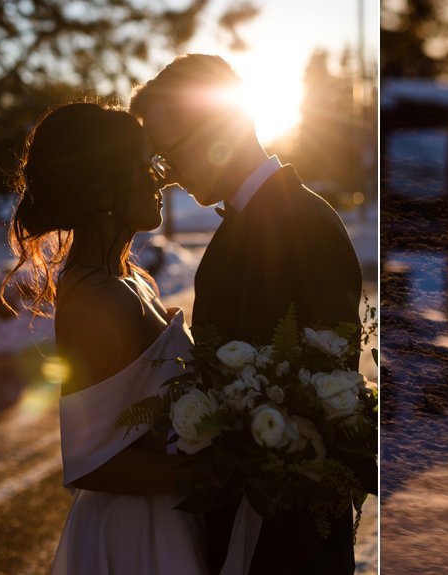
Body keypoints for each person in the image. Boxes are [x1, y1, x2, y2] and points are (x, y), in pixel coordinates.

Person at [130, 54, 371, 574]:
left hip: (286, 532)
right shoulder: (251, 219)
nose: (168, 177)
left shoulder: (302, 222)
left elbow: (325, 390)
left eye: (171, 154)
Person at [3, 102, 206, 574]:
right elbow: (90, 462)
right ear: (102, 185)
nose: (160, 179)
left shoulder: (126, 280)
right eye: (143, 165)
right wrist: (220, 471)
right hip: (138, 538)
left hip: (165, 516)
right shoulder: (96, 298)